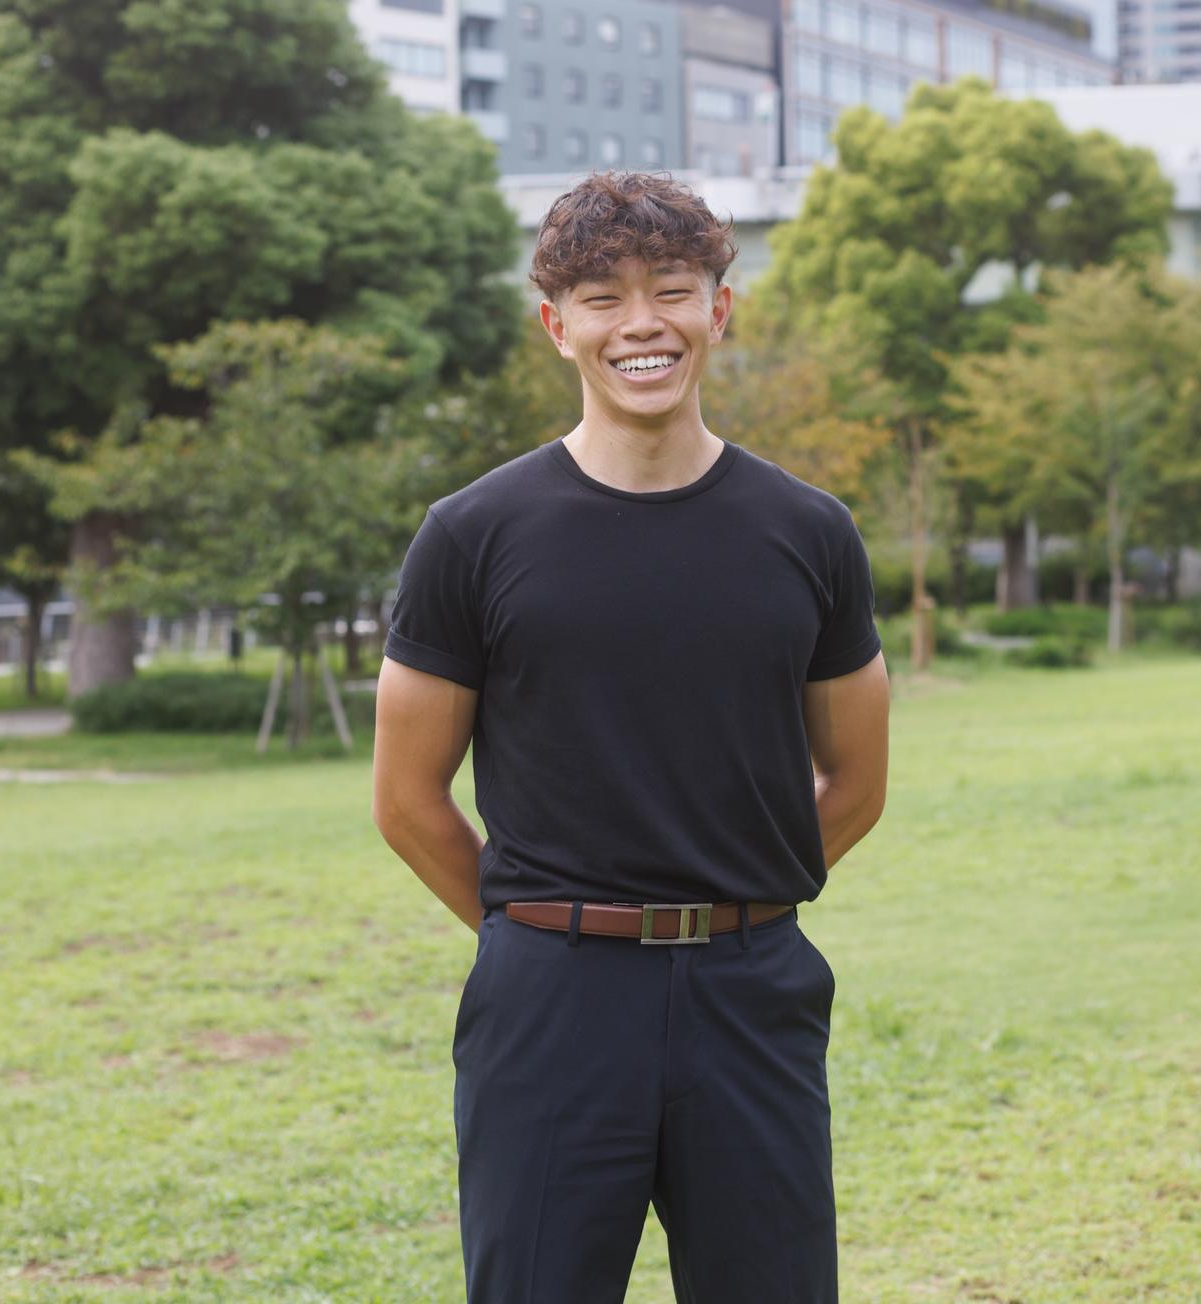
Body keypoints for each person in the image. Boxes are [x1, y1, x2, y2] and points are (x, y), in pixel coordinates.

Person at [370, 170, 891, 1304]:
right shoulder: (470, 535)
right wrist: (539, 932)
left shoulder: (810, 532)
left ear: (720, 309)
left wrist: (735, 906)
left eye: (672, 290)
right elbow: (406, 801)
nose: (641, 323)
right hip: (550, 1005)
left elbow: (855, 779)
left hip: (752, 994)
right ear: (556, 326)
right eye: (603, 298)